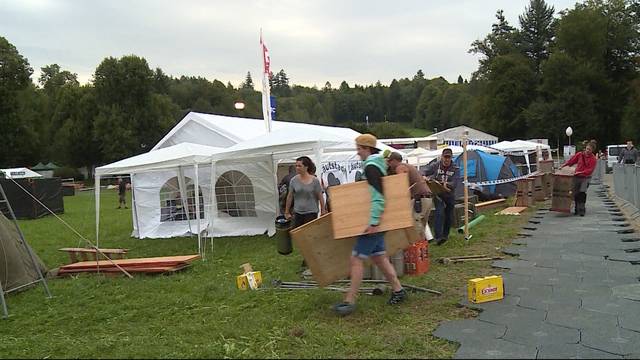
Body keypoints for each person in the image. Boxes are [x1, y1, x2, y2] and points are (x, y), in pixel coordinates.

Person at [333, 134, 407, 316]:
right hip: (378, 222)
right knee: (379, 258)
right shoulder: (377, 164)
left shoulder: (372, 167)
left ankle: (349, 301)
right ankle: (399, 290)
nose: (357, 152)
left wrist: (374, 222)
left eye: (359, 148)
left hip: (373, 222)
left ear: (367, 148)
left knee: (356, 259)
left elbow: (378, 197)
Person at [386, 151, 432, 238]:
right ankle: (422, 249)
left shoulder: (400, 167)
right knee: (421, 226)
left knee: (415, 226)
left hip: (419, 199)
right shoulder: (410, 166)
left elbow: (401, 183)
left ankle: (417, 248)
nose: (388, 164)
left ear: (395, 161)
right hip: (427, 198)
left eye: (389, 161)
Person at [422, 148, 460, 246]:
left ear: (451, 157)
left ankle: (445, 235)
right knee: (439, 212)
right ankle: (438, 237)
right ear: (442, 157)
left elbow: (454, 183)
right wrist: (424, 176)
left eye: (449, 157)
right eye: (445, 157)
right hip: (438, 193)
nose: (446, 159)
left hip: (449, 194)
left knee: (448, 215)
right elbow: (424, 170)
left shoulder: (456, 168)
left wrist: (446, 184)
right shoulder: (436, 165)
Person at [284, 157, 326, 227]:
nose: (297, 168)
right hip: (297, 212)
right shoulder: (293, 180)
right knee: (297, 233)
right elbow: (290, 197)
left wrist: (323, 210)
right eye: (296, 166)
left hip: (311, 212)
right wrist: (286, 212)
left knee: (309, 233)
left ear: (306, 167)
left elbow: (320, 196)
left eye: (299, 166)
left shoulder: (315, 180)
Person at [561, 141, 597, 216]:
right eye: (587, 149)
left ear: (592, 150)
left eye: (589, 150)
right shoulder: (580, 154)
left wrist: (580, 172)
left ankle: (582, 209)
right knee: (576, 193)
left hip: (585, 177)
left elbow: (589, 170)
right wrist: (564, 165)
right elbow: (572, 161)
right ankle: (576, 208)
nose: (587, 151)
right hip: (576, 176)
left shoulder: (593, 159)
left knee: (582, 192)